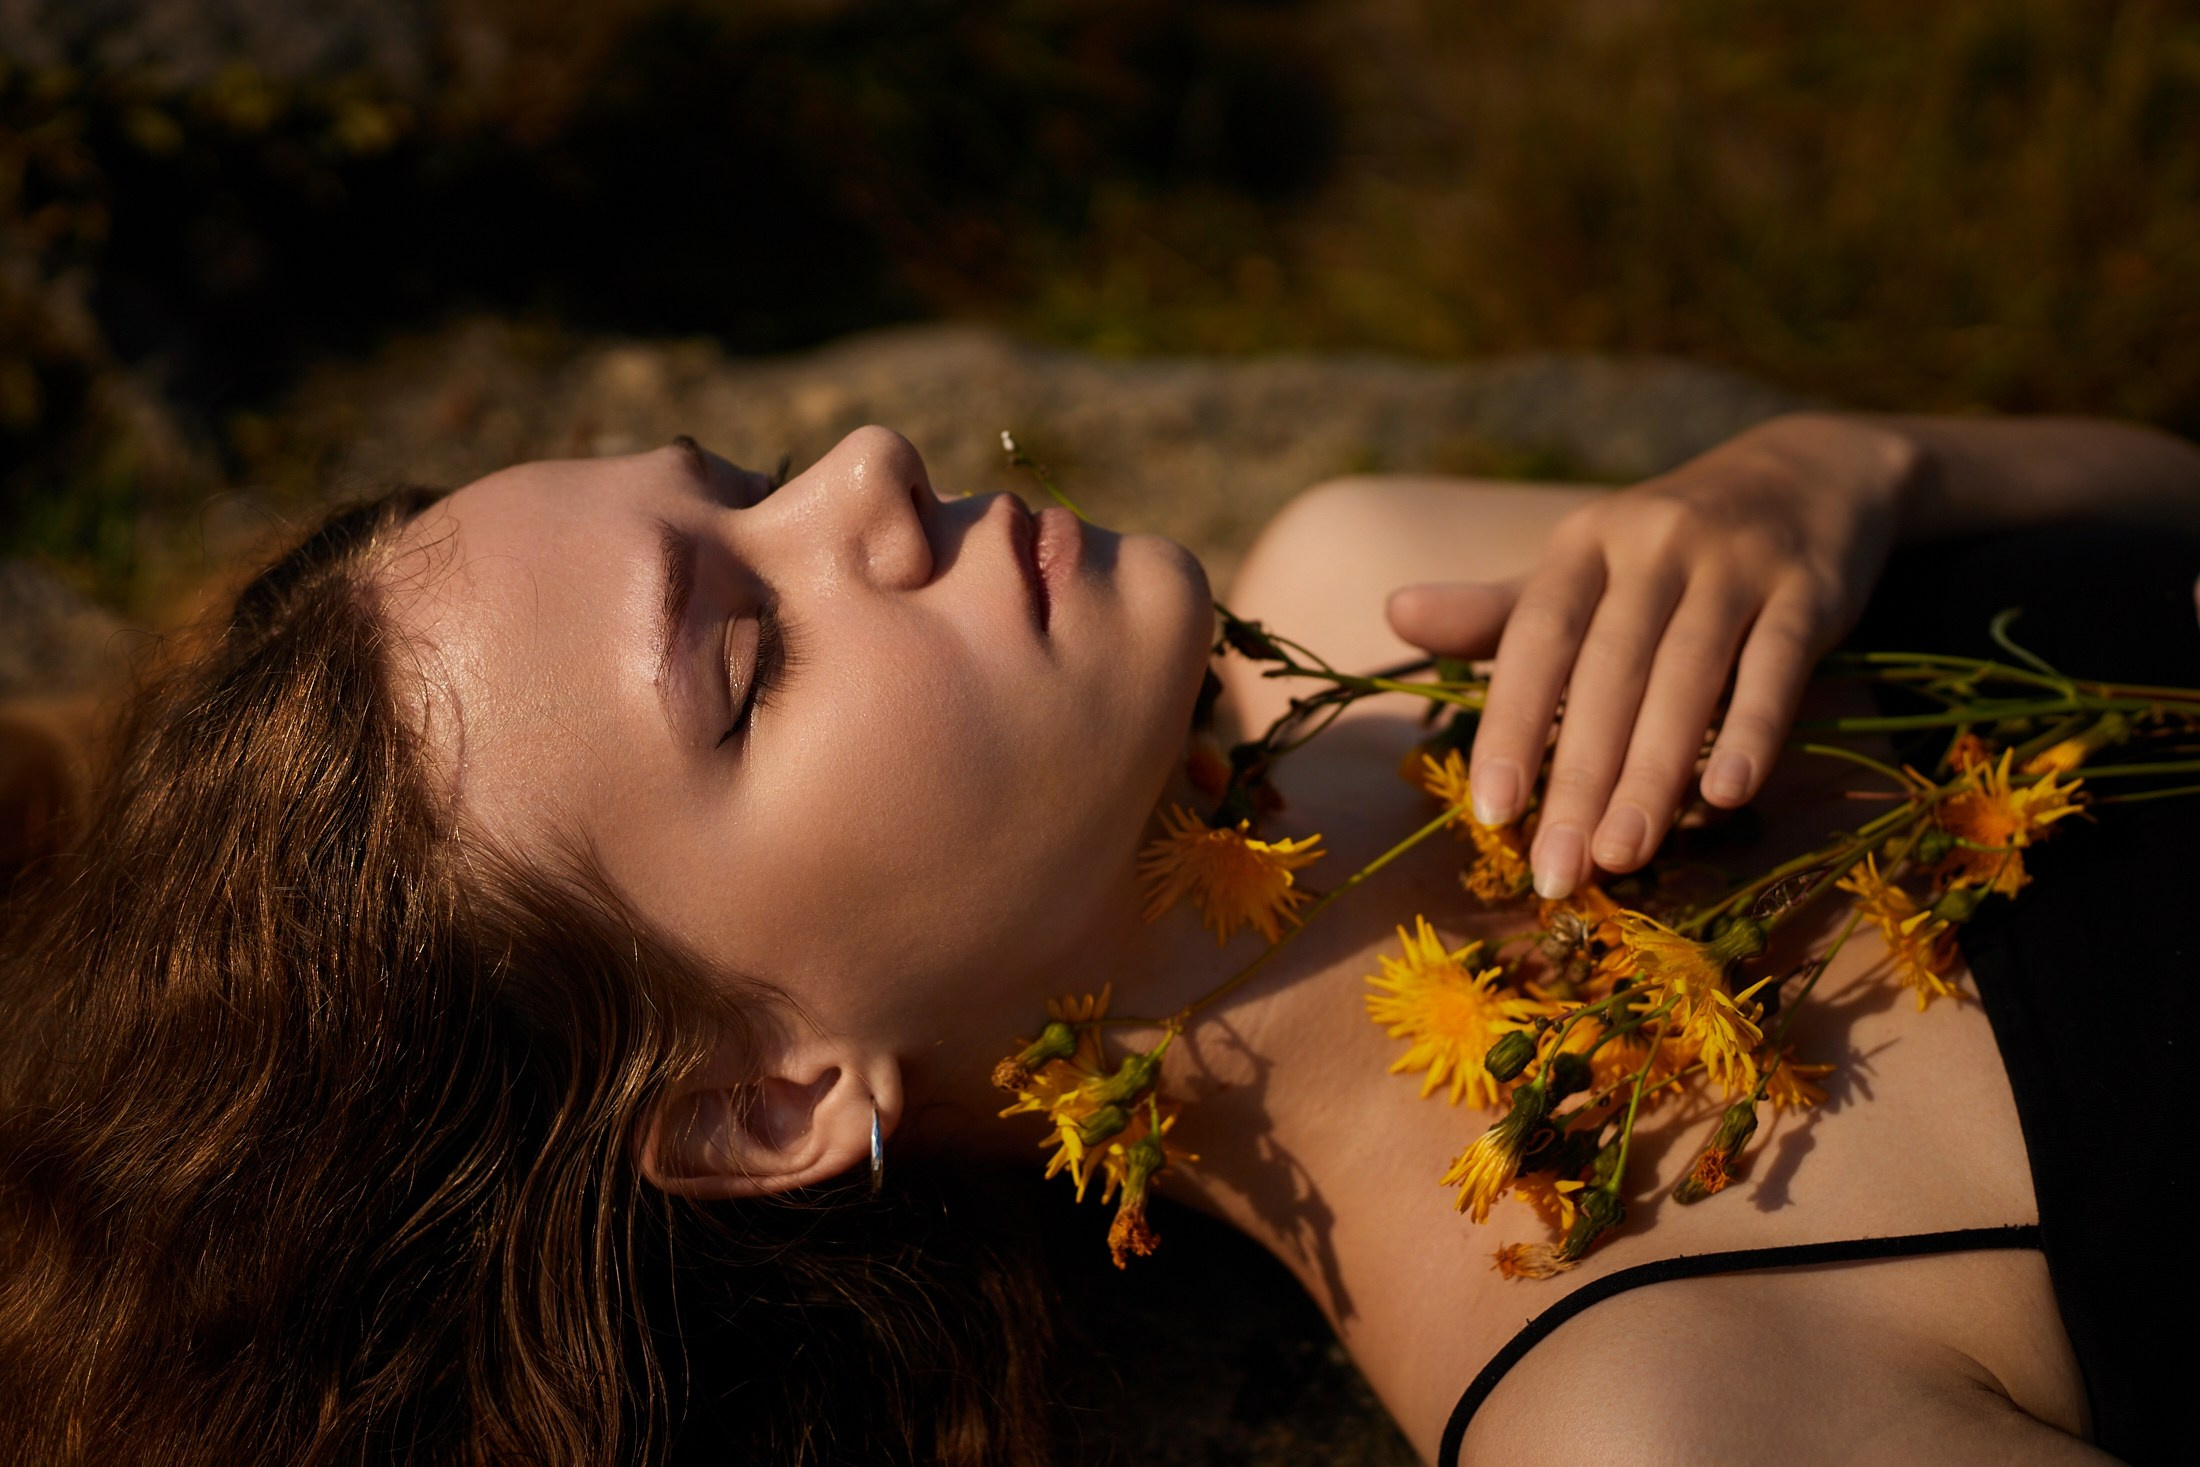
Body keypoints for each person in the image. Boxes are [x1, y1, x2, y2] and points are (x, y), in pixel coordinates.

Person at [0, 408, 2193, 1465]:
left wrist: (1852, 473)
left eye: (740, 471)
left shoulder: (1378, 579)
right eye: (746, 654)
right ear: (769, 1096)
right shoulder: (1661, 1414)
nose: (863, 468)